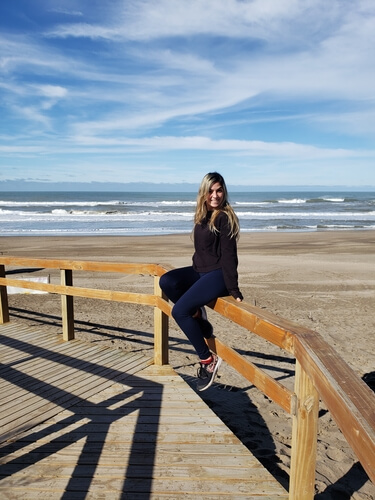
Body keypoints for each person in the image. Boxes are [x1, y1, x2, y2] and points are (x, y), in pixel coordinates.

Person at [159, 172, 243, 391]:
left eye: (219, 190)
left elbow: (229, 256)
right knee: (167, 281)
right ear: (204, 193)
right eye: (211, 191)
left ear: (224, 191)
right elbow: (202, 251)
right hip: (200, 271)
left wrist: (233, 288)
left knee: (179, 311)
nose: (215, 195)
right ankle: (198, 315)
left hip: (218, 275)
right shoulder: (203, 215)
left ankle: (208, 361)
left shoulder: (225, 217)